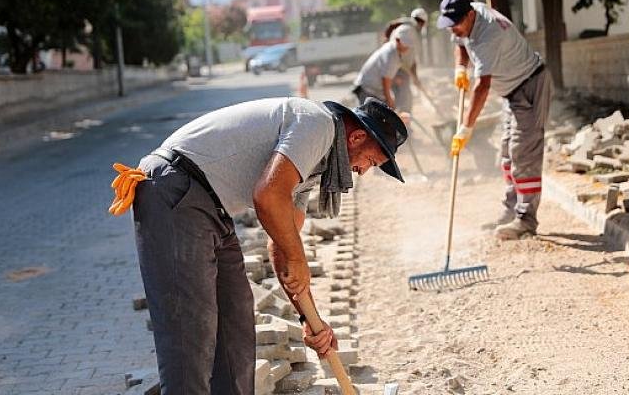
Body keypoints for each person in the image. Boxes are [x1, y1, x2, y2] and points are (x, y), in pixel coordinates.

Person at [107, 97, 408, 394]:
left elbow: (283, 243)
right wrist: (299, 259)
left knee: (234, 332)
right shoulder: (317, 124)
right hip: (175, 190)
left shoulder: (317, 163)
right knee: (190, 339)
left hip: (210, 207)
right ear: (356, 137)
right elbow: (267, 196)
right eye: (370, 161)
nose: (363, 171)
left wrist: (310, 319)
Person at [438, 0, 553, 240]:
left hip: (530, 86)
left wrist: (466, 128)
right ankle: (511, 210)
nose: (453, 29)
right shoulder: (470, 13)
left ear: (469, 16)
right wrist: (460, 67)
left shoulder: (489, 36)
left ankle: (526, 220)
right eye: (449, 24)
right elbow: (459, 40)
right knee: (506, 154)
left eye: (456, 23)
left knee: (523, 152)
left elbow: (482, 87)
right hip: (511, 91)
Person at [352, 24, 417, 109]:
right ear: (397, 40)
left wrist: (394, 79)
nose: (407, 47)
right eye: (406, 44)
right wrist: (389, 100)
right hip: (367, 90)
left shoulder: (392, 49)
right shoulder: (391, 54)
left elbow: (384, 73)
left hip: (371, 89)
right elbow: (385, 80)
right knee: (370, 119)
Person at [382, 8, 429, 113]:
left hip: (398, 69)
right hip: (398, 70)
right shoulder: (408, 29)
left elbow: (412, 59)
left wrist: (415, 78)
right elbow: (399, 52)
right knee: (404, 99)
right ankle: (403, 125)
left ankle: (403, 124)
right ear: (422, 22)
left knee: (403, 98)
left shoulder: (409, 29)